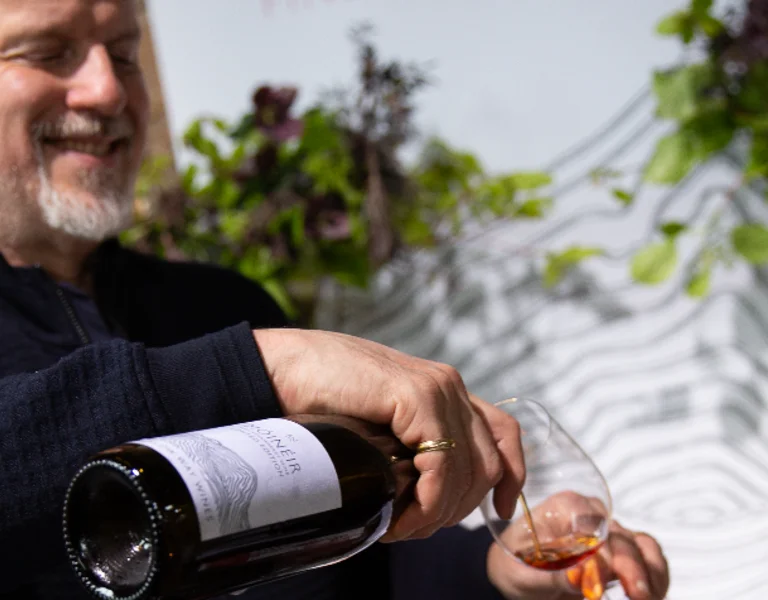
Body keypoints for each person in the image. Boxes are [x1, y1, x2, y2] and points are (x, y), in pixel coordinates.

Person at [0, 1, 669, 599]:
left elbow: (352, 555)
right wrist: (263, 370)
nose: (109, 87)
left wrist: (493, 573)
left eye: (124, 51)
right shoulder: (252, 353)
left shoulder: (218, 303)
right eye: (46, 51)